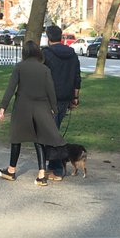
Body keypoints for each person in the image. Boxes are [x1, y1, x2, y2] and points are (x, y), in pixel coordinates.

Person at [0, 39, 67, 186]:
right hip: (42, 107)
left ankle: (11, 170)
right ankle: (41, 174)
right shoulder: (45, 69)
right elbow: (51, 90)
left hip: (22, 107)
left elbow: (11, 88)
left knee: (16, 138)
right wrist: (54, 108)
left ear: (25, 52)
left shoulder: (20, 67)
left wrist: (3, 107)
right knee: (39, 139)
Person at [41, 24, 82, 180]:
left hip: (49, 98)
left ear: (48, 37)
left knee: (51, 132)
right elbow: (77, 77)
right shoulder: (72, 54)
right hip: (65, 97)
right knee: (54, 130)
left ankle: (55, 167)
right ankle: (52, 165)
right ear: (61, 37)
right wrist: (75, 97)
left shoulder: (46, 54)